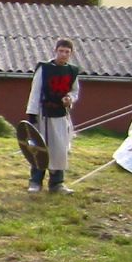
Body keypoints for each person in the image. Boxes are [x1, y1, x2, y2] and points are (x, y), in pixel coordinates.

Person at [25, 38, 80, 194]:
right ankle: (35, 182)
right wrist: (32, 115)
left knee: (60, 149)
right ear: (55, 50)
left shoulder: (72, 71)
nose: (63, 54)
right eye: (61, 51)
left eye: (67, 52)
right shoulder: (45, 68)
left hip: (61, 115)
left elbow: (75, 91)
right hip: (44, 114)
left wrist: (69, 98)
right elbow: (35, 91)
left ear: (71, 54)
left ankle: (57, 184)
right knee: (41, 148)